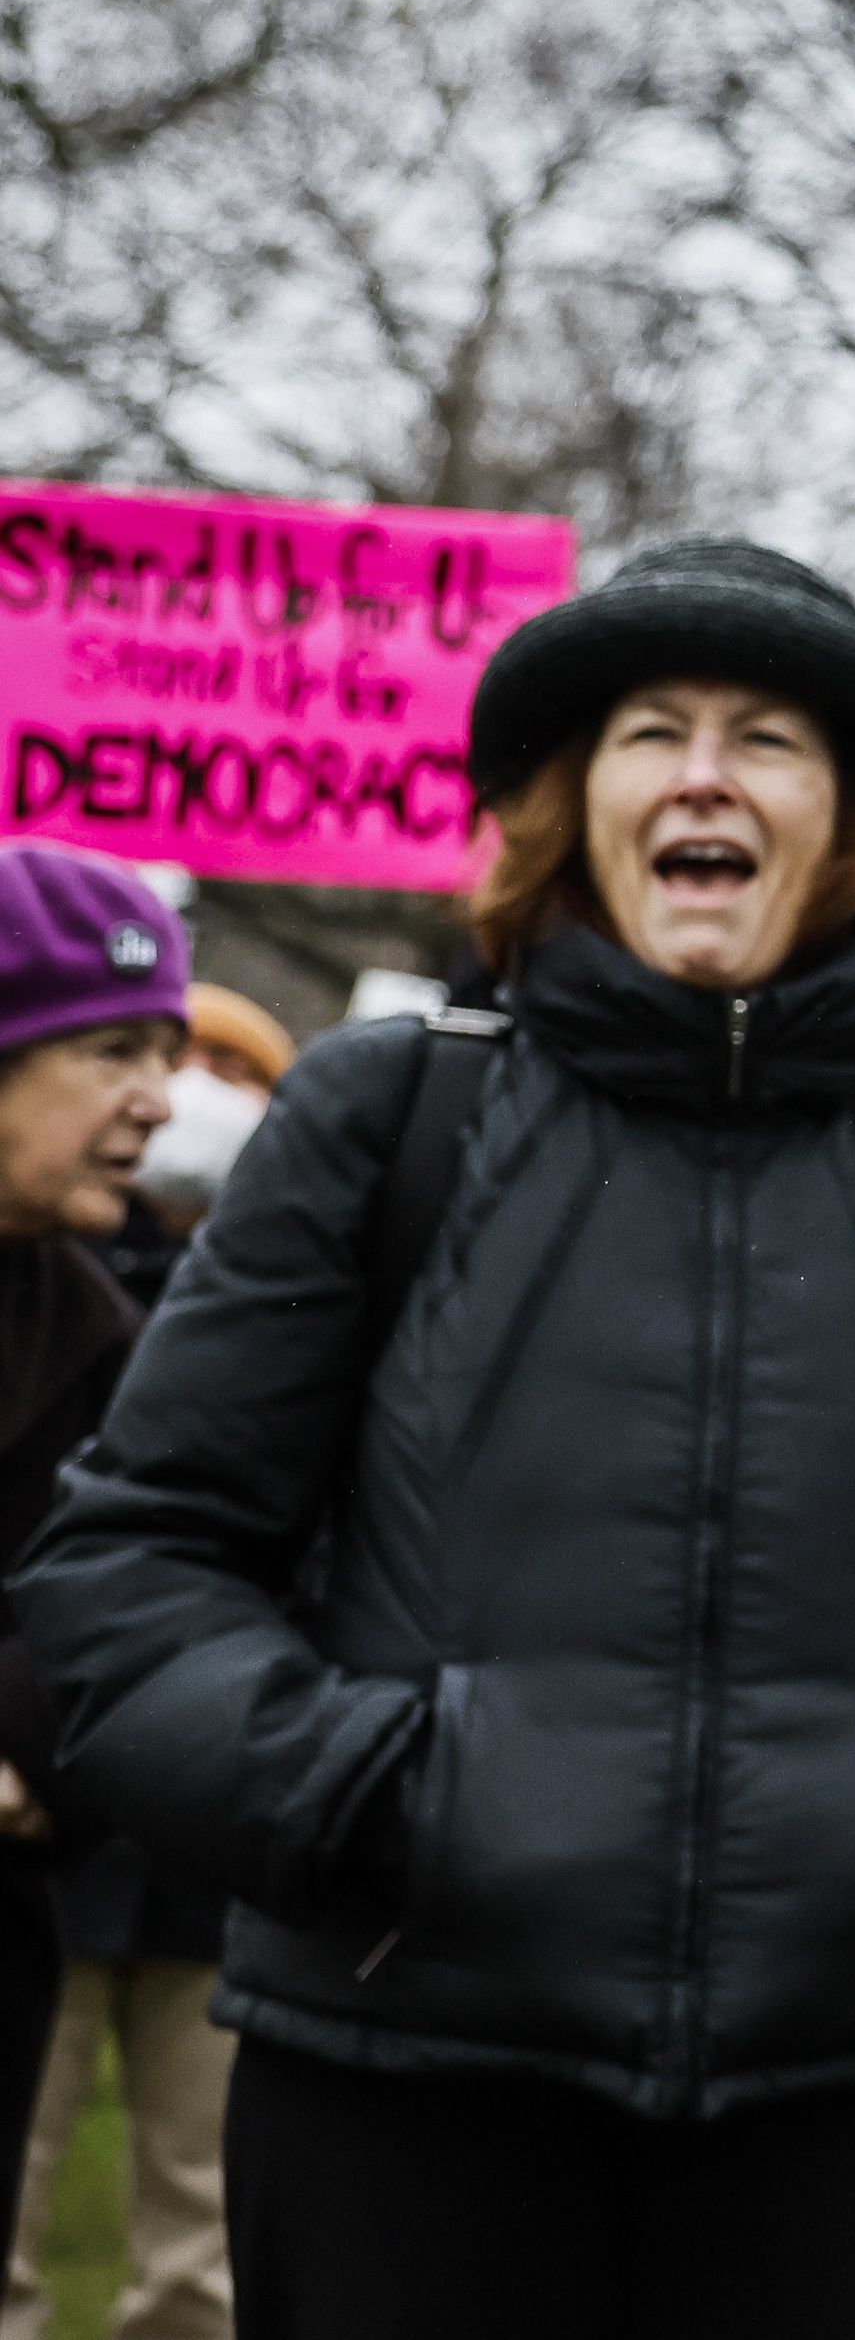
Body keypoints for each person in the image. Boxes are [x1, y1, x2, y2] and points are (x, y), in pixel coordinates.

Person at [11, 538, 855, 2340]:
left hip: (844, 2120)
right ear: (580, 801)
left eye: (767, 739)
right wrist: (371, 1802)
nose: (704, 773)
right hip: (398, 2101)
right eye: (652, 731)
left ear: (849, 816)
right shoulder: (381, 1115)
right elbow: (128, 1572)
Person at [1, 979, 287, 2340]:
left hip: (172, 1862)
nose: (171, 1105)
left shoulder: (139, 1321)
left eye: (211, 1065)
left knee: (200, 2238)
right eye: (124, 1051)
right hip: (56, 1860)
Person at [0, 850, 187, 2270]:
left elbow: (121, 1621)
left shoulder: (102, 1335)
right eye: (115, 1047)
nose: (159, 1101)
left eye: (167, 1053)